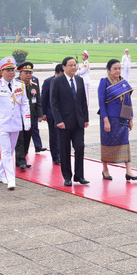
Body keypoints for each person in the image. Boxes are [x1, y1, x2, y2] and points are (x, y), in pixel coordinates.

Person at [0, 57, 28, 189]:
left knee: (9, 152)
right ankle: (11, 179)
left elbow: (24, 104)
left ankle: (0, 174)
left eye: (12, 70)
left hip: (15, 124)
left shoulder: (19, 85)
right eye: (8, 70)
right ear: (1, 72)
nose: (11, 73)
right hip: (2, 124)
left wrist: (26, 120)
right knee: (6, 151)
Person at [50, 56, 90, 186]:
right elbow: (54, 103)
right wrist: (58, 120)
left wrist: (85, 118)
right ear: (64, 67)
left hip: (78, 122)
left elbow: (83, 101)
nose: (74, 67)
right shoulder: (57, 81)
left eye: (75, 65)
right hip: (64, 123)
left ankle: (79, 176)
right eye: (70, 65)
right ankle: (67, 176)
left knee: (80, 147)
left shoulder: (79, 80)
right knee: (65, 150)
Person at [98, 59, 137, 181]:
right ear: (108, 70)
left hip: (122, 119)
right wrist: (105, 120)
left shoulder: (123, 83)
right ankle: (105, 169)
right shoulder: (104, 82)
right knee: (107, 143)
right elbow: (101, 102)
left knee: (125, 143)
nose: (117, 71)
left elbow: (128, 102)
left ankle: (129, 171)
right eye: (115, 68)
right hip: (109, 119)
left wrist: (130, 118)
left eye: (119, 68)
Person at [14, 62, 44, 170]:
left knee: (27, 138)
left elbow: (38, 101)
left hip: (30, 117)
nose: (28, 75)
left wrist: (40, 114)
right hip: (18, 117)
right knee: (20, 139)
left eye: (30, 73)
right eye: (26, 73)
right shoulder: (15, 85)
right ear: (20, 73)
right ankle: (21, 160)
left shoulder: (33, 86)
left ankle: (22, 158)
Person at [41, 64, 63, 165]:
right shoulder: (48, 82)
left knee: (62, 136)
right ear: (57, 73)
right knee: (54, 135)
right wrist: (43, 113)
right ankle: (55, 156)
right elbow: (43, 99)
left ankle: (62, 154)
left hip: (64, 114)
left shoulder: (66, 81)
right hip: (52, 114)